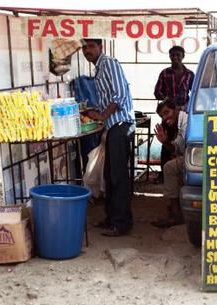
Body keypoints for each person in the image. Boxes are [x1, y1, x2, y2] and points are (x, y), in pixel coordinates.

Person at [82, 38, 136, 236]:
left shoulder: (109, 63)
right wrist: (96, 111)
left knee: (118, 177)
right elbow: (109, 99)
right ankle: (112, 218)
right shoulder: (99, 68)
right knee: (109, 176)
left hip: (120, 125)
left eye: (91, 46)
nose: (87, 50)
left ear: (100, 47)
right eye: (84, 47)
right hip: (113, 126)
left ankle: (121, 223)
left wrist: (103, 115)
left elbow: (119, 95)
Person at [154, 45, 194, 181]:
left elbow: (194, 93)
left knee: (184, 141)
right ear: (169, 57)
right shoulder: (165, 73)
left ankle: (184, 171)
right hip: (169, 113)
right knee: (166, 140)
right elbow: (157, 92)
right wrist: (167, 99)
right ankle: (165, 173)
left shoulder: (190, 74)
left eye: (178, 55)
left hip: (183, 111)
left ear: (183, 57)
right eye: (173, 55)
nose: (175, 58)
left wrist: (186, 106)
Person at [151, 99, 188, 228]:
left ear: (176, 109)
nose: (165, 118)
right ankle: (175, 210)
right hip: (189, 158)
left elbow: (182, 149)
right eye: (162, 116)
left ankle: (176, 214)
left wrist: (176, 154)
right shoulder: (177, 124)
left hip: (197, 159)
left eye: (167, 113)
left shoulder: (186, 121)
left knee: (169, 167)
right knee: (171, 164)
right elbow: (177, 149)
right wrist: (164, 141)